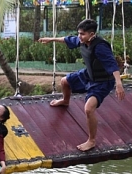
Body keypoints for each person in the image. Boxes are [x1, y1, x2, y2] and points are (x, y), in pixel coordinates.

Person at [38, 19, 125, 152]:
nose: (79, 36)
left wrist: (118, 84)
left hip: (102, 82)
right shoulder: (81, 40)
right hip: (88, 75)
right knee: (64, 81)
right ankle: (65, 101)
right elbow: (67, 39)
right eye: (79, 33)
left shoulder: (100, 47)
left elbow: (112, 65)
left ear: (91, 34)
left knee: (89, 109)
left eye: (82, 34)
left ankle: (92, 140)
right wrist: (51, 39)